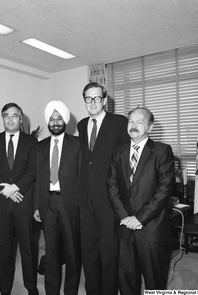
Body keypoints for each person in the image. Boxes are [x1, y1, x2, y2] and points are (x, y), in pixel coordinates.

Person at [106, 106, 175, 294]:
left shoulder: (162, 151)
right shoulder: (118, 151)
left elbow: (164, 189)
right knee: (126, 277)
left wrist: (139, 219)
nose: (133, 125)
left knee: (154, 279)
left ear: (150, 127)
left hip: (151, 227)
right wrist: (125, 217)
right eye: (130, 121)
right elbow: (111, 186)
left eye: (139, 121)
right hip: (124, 226)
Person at [77, 82, 130, 295]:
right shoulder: (81, 125)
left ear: (104, 100)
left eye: (96, 98)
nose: (92, 102)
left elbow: (127, 161)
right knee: (88, 252)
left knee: (109, 253)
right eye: (88, 99)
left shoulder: (119, 122)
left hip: (109, 199)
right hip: (85, 199)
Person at [0, 102, 39, 295]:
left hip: (24, 203)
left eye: (14, 115)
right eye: (6, 115)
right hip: (0, 204)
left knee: (29, 249)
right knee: (3, 250)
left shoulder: (31, 142)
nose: (10, 119)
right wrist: (4, 189)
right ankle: (4, 289)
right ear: (2, 118)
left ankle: (31, 287)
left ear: (21, 119)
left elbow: (33, 170)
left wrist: (15, 188)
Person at [33, 100, 81, 295]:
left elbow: (82, 177)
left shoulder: (78, 144)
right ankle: (51, 291)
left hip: (70, 204)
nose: (55, 122)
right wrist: (37, 206)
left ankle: (71, 291)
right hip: (48, 205)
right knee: (50, 252)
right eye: (51, 119)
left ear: (65, 120)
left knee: (72, 253)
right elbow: (38, 179)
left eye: (59, 118)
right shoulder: (40, 147)